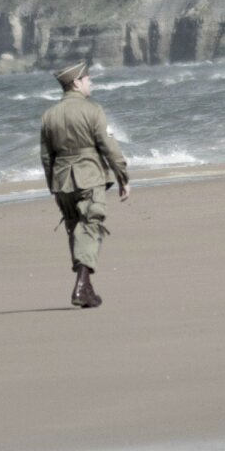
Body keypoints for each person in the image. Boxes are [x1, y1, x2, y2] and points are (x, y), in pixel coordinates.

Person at [40, 61, 130, 308]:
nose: (91, 82)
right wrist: (123, 176)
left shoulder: (49, 115)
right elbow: (109, 145)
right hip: (89, 176)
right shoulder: (93, 110)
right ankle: (81, 286)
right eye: (88, 78)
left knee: (75, 230)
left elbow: (46, 157)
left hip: (62, 182)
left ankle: (87, 288)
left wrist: (53, 186)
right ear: (76, 83)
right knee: (90, 227)